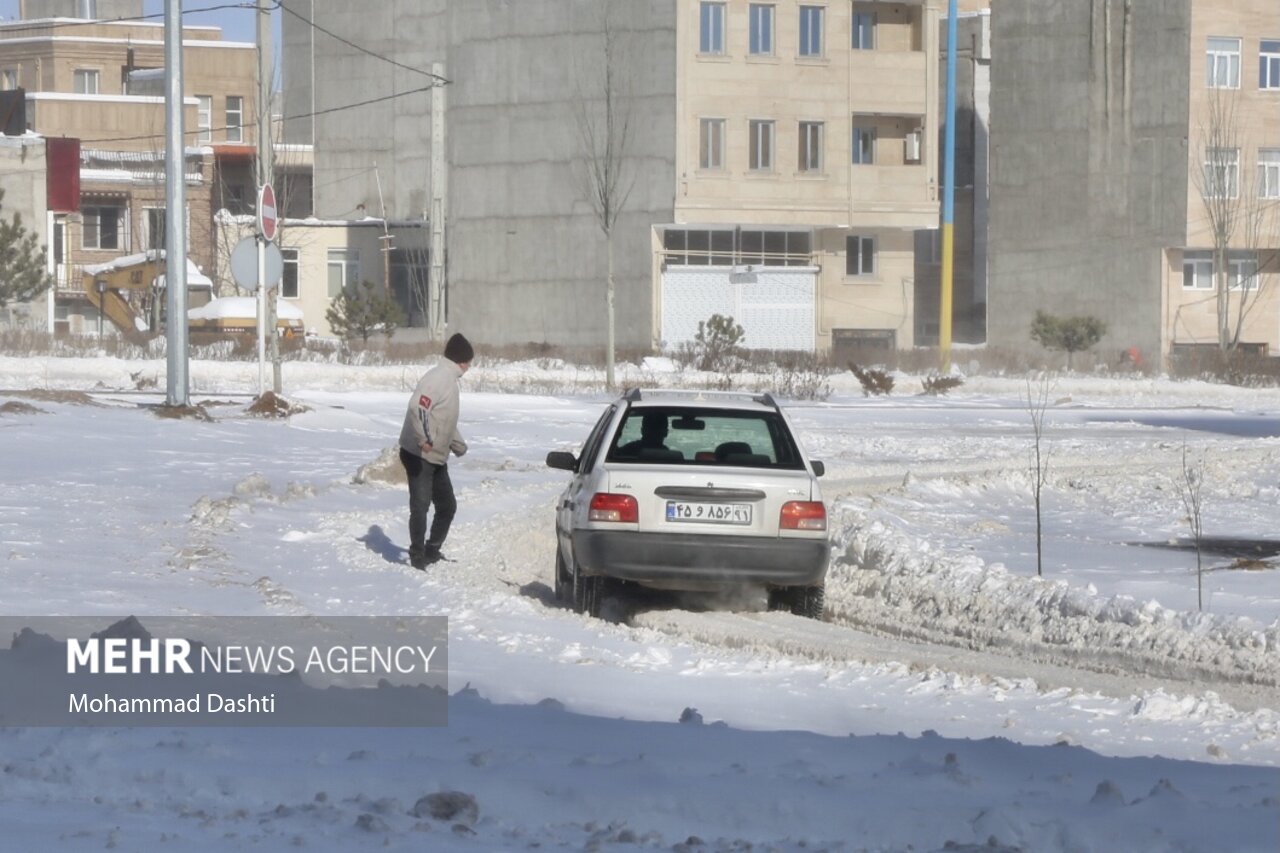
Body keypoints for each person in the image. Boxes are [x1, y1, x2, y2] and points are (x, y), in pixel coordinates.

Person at [398, 333, 473, 569]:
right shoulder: (439, 378)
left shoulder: (448, 380)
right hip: (419, 454)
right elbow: (417, 407)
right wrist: (424, 439)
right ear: (462, 361)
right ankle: (417, 556)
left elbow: (444, 418)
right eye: (469, 361)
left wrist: (456, 442)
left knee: (447, 506)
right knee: (420, 506)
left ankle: (432, 550)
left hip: (436, 456)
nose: (470, 366)